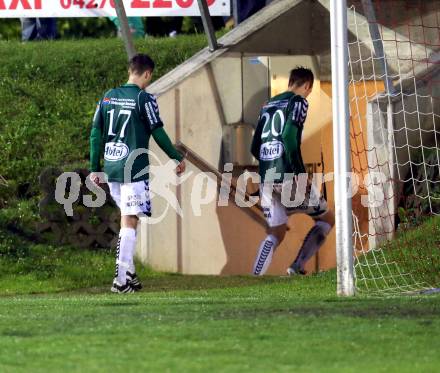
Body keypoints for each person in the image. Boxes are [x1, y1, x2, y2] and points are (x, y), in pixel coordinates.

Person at [89, 54, 185, 293]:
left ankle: (129, 274)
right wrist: (176, 156)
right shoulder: (144, 98)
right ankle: (120, 281)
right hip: (134, 168)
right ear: (147, 74)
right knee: (130, 221)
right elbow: (158, 132)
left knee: (127, 218)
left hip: (112, 167)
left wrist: (94, 168)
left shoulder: (108, 96)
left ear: (130, 70)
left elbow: (95, 134)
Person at [250, 67, 335, 276]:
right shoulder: (298, 102)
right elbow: (288, 137)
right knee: (327, 219)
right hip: (288, 176)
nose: (308, 95)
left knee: (276, 232)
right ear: (307, 86)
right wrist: (300, 172)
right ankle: (297, 266)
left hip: (266, 178)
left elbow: (254, 146)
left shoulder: (267, 105)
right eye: (309, 91)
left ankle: (256, 275)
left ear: (290, 82)